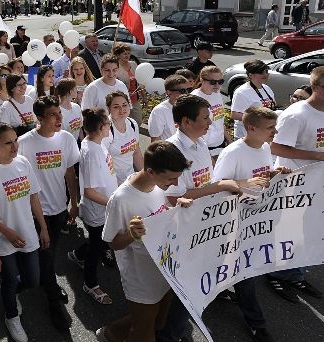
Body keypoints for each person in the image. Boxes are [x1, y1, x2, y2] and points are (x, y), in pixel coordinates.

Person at [158, 95, 241, 342]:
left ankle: (173, 329)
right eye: (205, 117)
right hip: (183, 229)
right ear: (185, 121)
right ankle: (168, 334)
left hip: (204, 224)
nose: (211, 122)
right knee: (183, 287)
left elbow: (206, 181)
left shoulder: (200, 143)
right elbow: (174, 196)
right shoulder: (172, 150)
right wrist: (220, 186)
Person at [98, 141, 193, 342]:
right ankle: (113, 333)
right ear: (150, 171)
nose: (174, 184)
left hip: (163, 268)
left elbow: (158, 214)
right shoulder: (121, 199)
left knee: (157, 321)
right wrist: (132, 235)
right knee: (144, 332)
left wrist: (176, 211)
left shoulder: (156, 187)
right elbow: (112, 243)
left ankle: (111, 333)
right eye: (171, 179)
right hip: (140, 278)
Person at [213, 106, 291, 342]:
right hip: (235, 220)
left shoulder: (265, 147)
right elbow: (217, 186)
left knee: (234, 265)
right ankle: (256, 322)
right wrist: (244, 184)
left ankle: (217, 290)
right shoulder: (233, 152)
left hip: (257, 217)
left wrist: (275, 173)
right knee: (243, 270)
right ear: (251, 128)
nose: (275, 131)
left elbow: (262, 177)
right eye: (269, 128)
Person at [0, 123, 49, 342]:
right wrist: (6, 232)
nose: (14, 146)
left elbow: (34, 196)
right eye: (8, 142)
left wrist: (43, 228)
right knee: (8, 280)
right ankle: (11, 316)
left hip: (27, 232)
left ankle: (13, 294)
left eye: (15, 140)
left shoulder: (23, 163)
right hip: (2, 238)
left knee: (33, 279)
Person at [17, 95, 80, 331]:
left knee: (50, 252)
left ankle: (47, 282)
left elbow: (70, 173)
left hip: (59, 209)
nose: (58, 118)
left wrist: (74, 202)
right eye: (53, 115)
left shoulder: (65, 139)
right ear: (39, 118)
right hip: (35, 213)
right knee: (45, 254)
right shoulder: (24, 143)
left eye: (59, 114)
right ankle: (54, 302)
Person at [267, 67, 324, 302]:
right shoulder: (296, 114)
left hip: (317, 182)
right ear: (318, 88)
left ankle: (295, 273)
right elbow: (275, 147)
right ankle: (274, 274)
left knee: (309, 230)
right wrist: (318, 157)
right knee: (287, 230)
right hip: (293, 183)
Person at [67, 108, 116, 305]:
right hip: (98, 211)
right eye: (108, 124)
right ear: (102, 127)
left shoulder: (93, 142)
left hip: (102, 208)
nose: (110, 127)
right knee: (97, 246)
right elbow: (89, 191)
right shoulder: (93, 152)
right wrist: (114, 202)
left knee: (98, 241)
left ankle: (77, 255)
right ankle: (90, 284)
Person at [192, 66, 231, 160]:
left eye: (220, 81)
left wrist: (229, 139)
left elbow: (219, 120)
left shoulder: (217, 94)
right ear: (202, 79)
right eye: (213, 82)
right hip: (205, 147)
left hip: (220, 143)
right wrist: (206, 153)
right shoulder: (195, 98)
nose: (217, 85)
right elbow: (193, 128)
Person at [231, 60, 276, 140]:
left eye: (266, 71)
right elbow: (234, 115)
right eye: (261, 73)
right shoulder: (242, 92)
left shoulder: (267, 88)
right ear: (251, 75)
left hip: (262, 135)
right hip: (246, 136)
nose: (265, 75)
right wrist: (259, 120)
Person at [106, 91, 144, 185]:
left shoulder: (132, 123)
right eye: (116, 106)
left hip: (130, 179)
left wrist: (145, 176)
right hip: (112, 183)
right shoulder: (106, 129)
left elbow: (136, 153)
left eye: (124, 105)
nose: (121, 109)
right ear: (108, 109)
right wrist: (117, 184)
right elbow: (103, 163)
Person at [148, 75, 190, 142]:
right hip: (171, 150)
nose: (186, 93)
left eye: (188, 90)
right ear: (169, 92)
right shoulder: (159, 111)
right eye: (182, 91)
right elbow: (155, 139)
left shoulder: (192, 106)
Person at [113, 42, 146, 125]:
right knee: (124, 122)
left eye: (128, 53)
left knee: (138, 121)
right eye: (124, 54)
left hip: (135, 100)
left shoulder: (133, 64)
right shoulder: (115, 68)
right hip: (122, 102)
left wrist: (144, 96)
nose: (127, 55)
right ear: (118, 55)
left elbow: (140, 82)